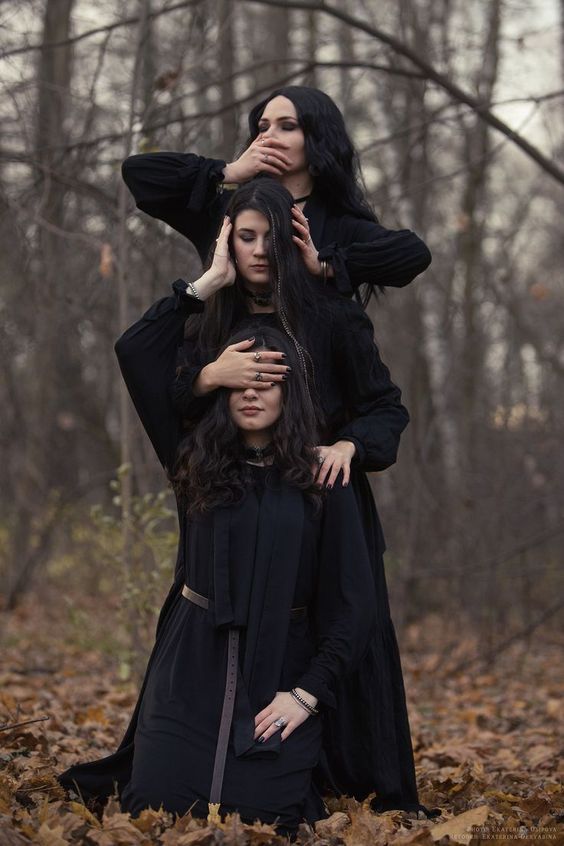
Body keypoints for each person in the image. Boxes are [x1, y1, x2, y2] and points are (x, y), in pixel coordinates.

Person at [58, 331, 386, 838]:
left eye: (266, 381)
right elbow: (136, 353)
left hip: (279, 671)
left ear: (290, 392)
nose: (251, 393)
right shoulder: (192, 460)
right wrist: (209, 349)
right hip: (189, 668)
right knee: (153, 804)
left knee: (263, 818)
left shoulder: (323, 479)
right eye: (240, 383)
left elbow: (354, 606)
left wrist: (305, 694)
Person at [121, 85, 431, 306]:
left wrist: (325, 266)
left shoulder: (340, 224)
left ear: (318, 139)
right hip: (233, 381)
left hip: (313, 384)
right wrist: (228, 171)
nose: (268, 135)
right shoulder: (227, 211)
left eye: (287, 126)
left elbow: (412, 254)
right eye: (263, 127)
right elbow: (139, 173)